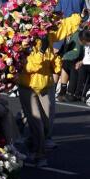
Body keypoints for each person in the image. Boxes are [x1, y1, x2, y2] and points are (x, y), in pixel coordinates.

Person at [16, 37, 61, 166]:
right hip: (27, 87)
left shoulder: (46, 39)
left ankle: (32, 142)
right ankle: (39, 154)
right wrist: (41, 53)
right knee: (37, 123)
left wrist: (57, 57)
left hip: (46, 86)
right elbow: (28, 67)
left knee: (47, 123)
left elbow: (55, 69)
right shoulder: (23, 42)